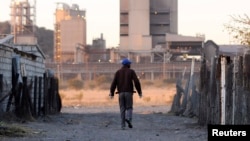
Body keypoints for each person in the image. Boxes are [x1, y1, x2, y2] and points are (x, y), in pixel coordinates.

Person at [109, 58, 142, 130]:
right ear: (128, 64)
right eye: (130, 64)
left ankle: (122, 125)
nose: (130, 65)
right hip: (129, 93)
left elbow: (113, 83)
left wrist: (111, 93)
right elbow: (136, 82)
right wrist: (139, 92)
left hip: (120, 93)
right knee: (129, 107)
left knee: (122, 108)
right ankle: (128, 118)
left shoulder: (118, 72)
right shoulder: (131, 71)